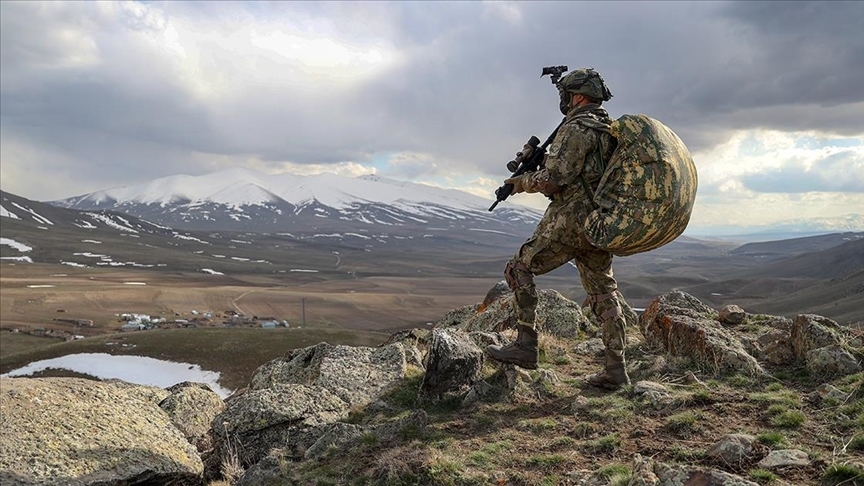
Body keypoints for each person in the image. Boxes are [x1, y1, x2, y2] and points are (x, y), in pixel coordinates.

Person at [486, 68, 630, 390]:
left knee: (519, 268)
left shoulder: (575, 129)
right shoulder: (610, 130)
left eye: (566, 94)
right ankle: (616, 369)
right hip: (600, 224)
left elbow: (554, 179)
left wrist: (523, 182)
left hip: (569, 222)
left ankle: (526, 345)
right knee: (604, 292)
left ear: (577, 96)